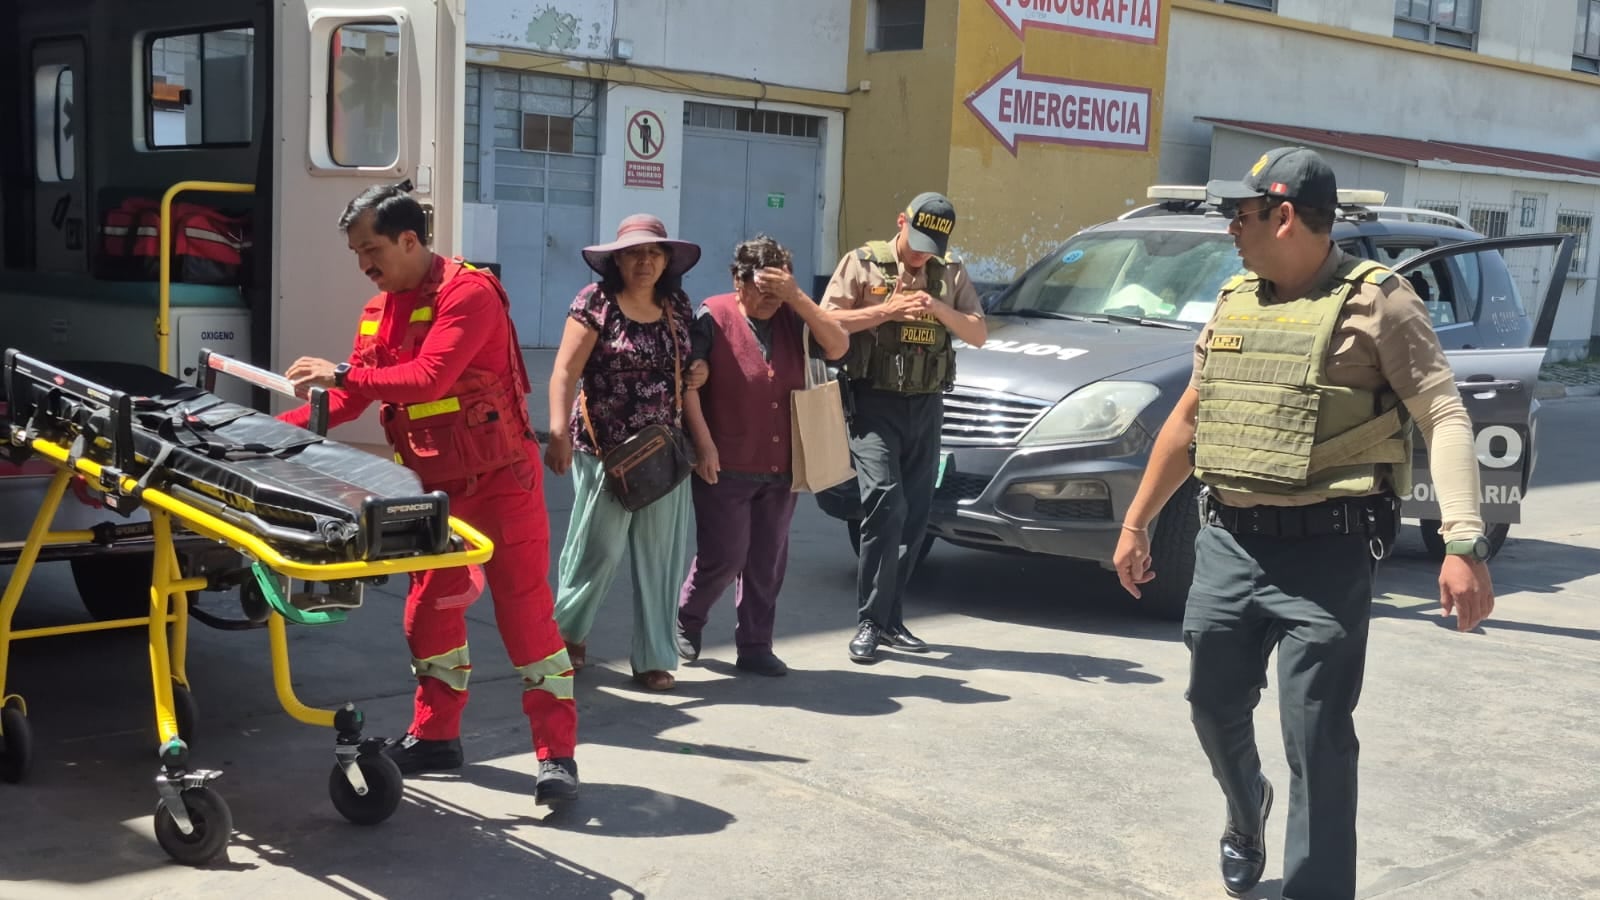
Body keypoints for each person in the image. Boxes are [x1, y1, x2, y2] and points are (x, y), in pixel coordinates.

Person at [1111, 147, 1495, 899]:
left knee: (1317, 737)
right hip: (1226, 542)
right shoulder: (1234, 299)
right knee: (1212, 704)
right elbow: (1190, 422)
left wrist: (1463, 541)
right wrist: (1135, 524)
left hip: (1328, 552)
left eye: (1242, 213)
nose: (1231, 226)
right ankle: (1246, 805)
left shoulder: (1382, 302)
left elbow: (1443, 415)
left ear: (1283, 216)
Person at [280, 183, 578, 805]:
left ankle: (556, 757)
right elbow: (351, 397)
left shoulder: (468, 295)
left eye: (372, 249)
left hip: (502, 483)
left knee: (524, 616)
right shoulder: (378, 309)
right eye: (357, 253)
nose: (365, 265)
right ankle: (436, 736)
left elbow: (426, 378)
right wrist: (262, 434)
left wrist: (339, 371)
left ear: (410, 240)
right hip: (431, 491)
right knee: (428, 612)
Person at [819, 192, 987, 663]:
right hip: (873, 403)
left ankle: (890, 621)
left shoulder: (949, 272)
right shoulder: (862, 263)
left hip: (926, 405)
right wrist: (885, 312)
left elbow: (977, 331)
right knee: (885, 502)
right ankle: (870, 621)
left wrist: (938, 308)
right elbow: (825, 322)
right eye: (915, 242)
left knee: (915, 513)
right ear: (900, 222)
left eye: (930, 246)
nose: (920, 253)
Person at [674, 235, 849, 676]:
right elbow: (689, 385)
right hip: (725, 460)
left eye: (778, 289)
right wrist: (704, 446)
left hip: (782, 461)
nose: (770, 299)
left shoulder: (793, 314)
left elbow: (838, 345)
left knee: (767, 561)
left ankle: (755, 645)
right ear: (738, 280)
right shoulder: (712, 315)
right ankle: (687, 618)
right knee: (725, 555)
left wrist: (798, 297)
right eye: (761, 288)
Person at [546, 214, 706, 692]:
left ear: (667, 260)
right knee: (598, 550)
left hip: (664, 453)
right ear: (617, 259)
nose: (645, 261)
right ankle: (566, 637)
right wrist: (557, 433)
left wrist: (701, 392)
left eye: (654, 253)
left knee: (662, 557)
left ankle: (655, 656)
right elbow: (562, 373)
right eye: (635, 252)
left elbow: (686, 373)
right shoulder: (595, 303)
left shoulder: (676, 304)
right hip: (605, 452)